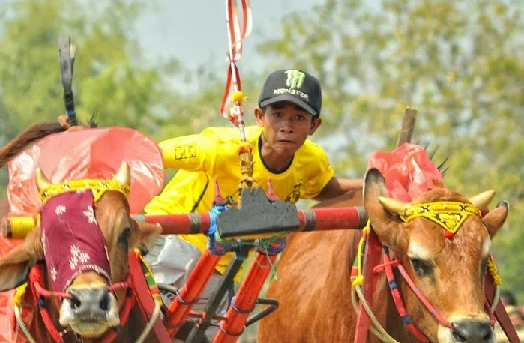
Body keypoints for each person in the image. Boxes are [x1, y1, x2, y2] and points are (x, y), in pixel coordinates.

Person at [145, 68, 362, 292]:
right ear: (259, 117)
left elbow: (324, 188)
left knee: (220, 315)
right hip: (171, 239)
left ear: (314, 125)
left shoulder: (311, 161)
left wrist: (375, 183)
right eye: (277, 115)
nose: (287, 127)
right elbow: (148, 154)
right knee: (158, 314)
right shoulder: (220, 148)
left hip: (224, 264)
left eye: (299, 118)